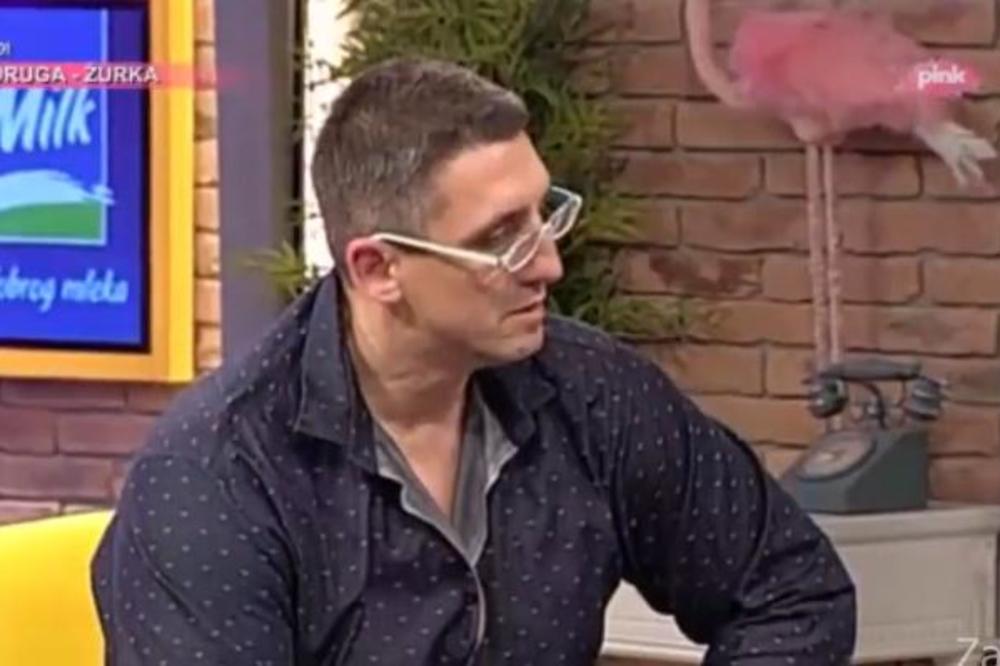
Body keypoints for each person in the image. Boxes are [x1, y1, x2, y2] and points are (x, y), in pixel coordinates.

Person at [91, 56, 856, 665]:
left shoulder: (591, 392)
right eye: (501, 239)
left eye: (544, 215)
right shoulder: (217, 475)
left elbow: (791, 592)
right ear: (377, 269)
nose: (549, 263)